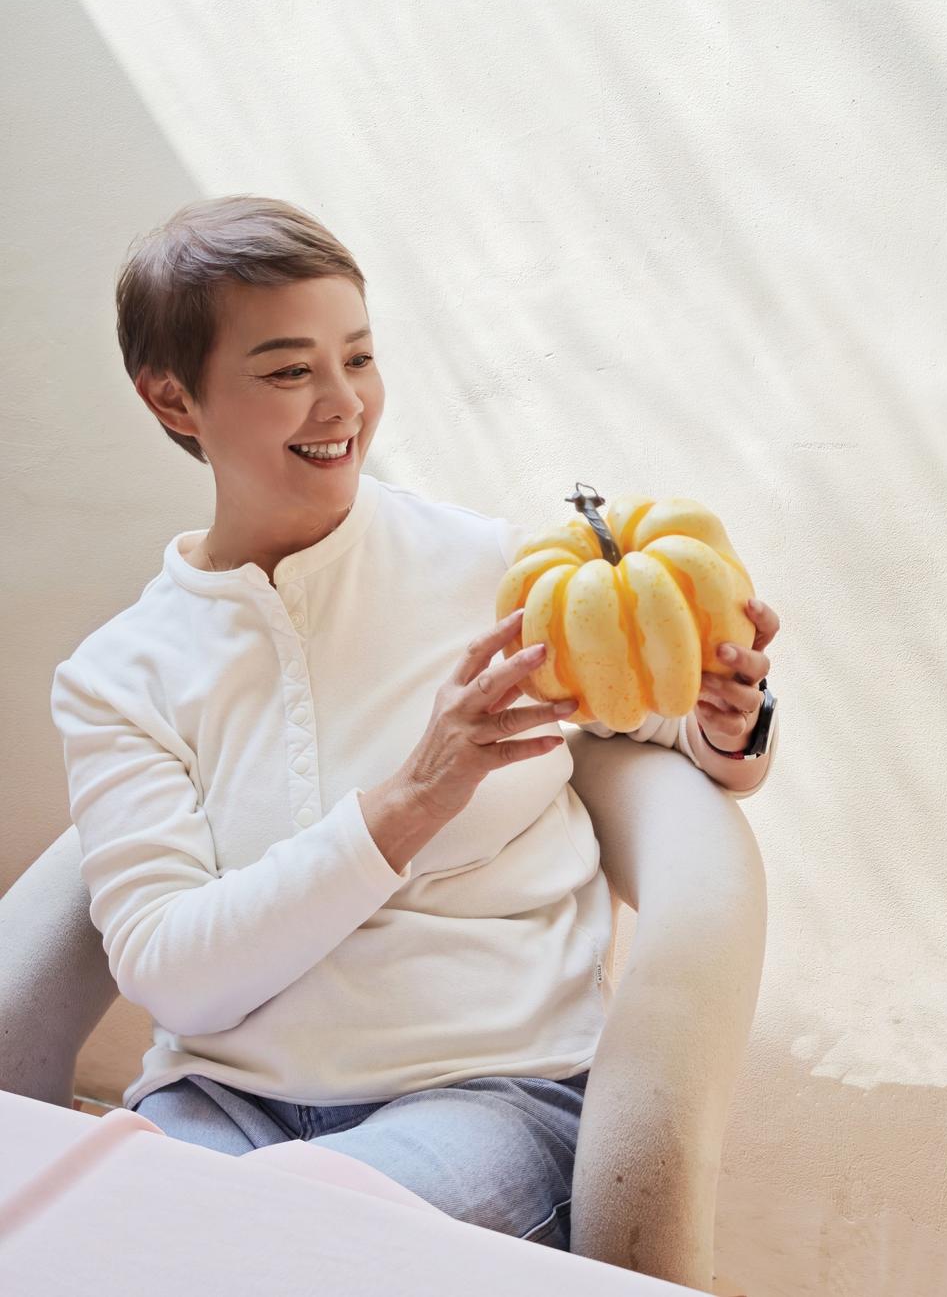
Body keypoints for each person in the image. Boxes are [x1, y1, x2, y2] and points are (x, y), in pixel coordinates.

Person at [49, 194, 778, 1253]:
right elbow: (170, 971)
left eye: (358, 357)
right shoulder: (121, 675)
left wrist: (727, 715)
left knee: (264, 1241)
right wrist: (410, 800)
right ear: (173, 396)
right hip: (221, 1104)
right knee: (108, 1245)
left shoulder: (494, 573)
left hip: (488, 1096)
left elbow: (668, 732)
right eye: (289, 371)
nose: (343, 402)